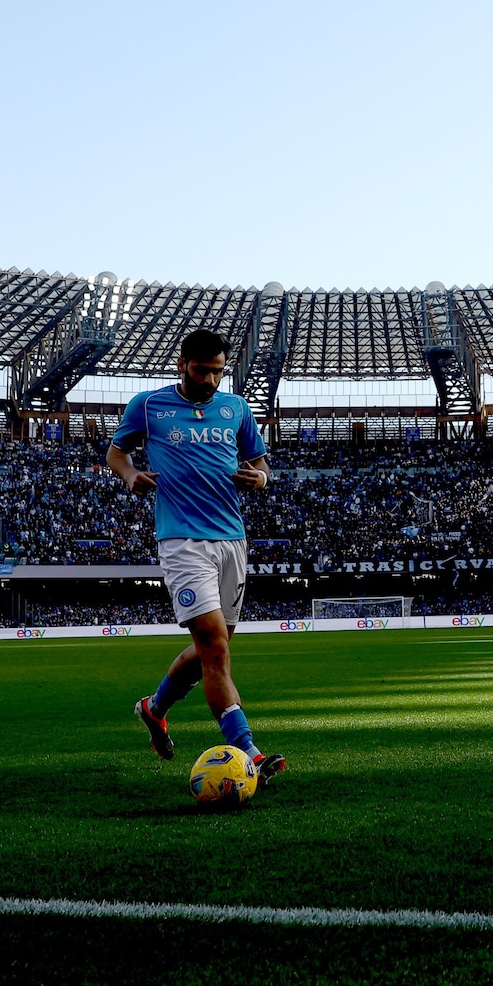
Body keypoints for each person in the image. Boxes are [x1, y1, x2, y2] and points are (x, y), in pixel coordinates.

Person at [113, 329, 285, 785]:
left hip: (232, 540)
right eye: (202, 369)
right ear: (182, 364)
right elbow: (116, 452)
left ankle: (154, 707)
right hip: (182, 540)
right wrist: (130, 474)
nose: (210, 379)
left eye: (218, 371)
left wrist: (261, 480)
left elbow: (260, 462)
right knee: (213, 647)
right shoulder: (148, 405)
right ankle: (248, 750)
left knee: (217, 646)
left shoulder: (237, 409)